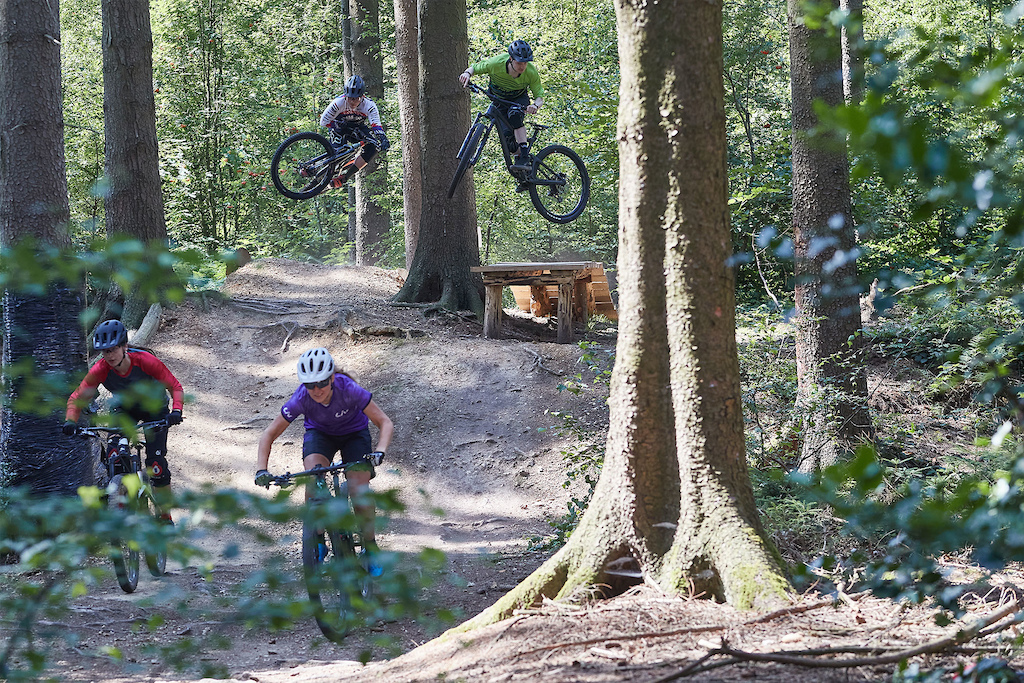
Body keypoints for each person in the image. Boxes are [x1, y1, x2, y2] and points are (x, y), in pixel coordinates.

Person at [254, 347, 394, 569]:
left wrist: (380, 451)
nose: (316, 389)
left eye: (321, 383)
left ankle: (370, 545)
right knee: (314, 477)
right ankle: (317, 538)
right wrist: (262, 469)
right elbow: (269, 433)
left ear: (331, 378)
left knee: (359, 490)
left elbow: (384, 422)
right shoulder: (301, 397)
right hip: (320, 435)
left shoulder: (348, 389)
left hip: (354, 435)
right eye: (310, 385)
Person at [64, 319, 184, 523]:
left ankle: (165, 516)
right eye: (104, 351)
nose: (108, 355)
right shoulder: (101, 368)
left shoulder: (146, 361)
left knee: (157, 465)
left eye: (112, 350)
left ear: (124, 347)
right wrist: (70, 421)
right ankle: (119, 503)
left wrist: (176, 411)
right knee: (114, 456)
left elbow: (175, 387)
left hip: (154, 409)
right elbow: (77, 398)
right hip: (124, 409)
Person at [459, 39, 544, 171]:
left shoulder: (530, 72)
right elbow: (475, 67)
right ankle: (523, 173)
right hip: (499, 99)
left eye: (525, 63)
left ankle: (525, 154)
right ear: (511, 59)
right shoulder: (496, 63)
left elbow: (539, 96)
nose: (522, 66)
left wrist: (535, 106)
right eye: (519, 62)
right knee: (508, 142)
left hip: (518, 99)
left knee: (515, 115)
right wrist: (467, 73)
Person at [319, 75, 390, 189]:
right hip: (339, 128)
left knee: (373, 146)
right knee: (337, 152)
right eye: (350, 98)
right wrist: (336, 124)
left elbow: (376, 124)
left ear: (362, 96)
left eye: (356, 98)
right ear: (345, 96)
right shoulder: (338, 102)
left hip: (357, 128)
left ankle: (345, 177)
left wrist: (383, 138)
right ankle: (319, 166)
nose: (353, 101)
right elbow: (323, 121)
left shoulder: (369, 105)